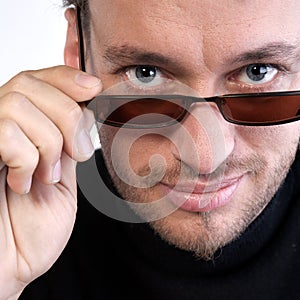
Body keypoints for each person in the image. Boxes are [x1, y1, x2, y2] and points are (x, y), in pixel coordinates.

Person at [1, 0, 300, 299]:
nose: (205, 159)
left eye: (258, 72)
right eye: (146, 74)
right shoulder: (18, 224)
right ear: (79, 52)